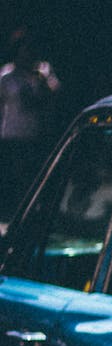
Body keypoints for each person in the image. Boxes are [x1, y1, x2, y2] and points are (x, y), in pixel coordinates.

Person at [0, 28, 60, 221]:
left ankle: (34, 216)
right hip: (13, 135)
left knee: (34, 179)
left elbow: (55, 94)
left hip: (35, 134)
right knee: (17, 180)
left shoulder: (42, 71)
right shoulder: (6, 76)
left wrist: (43, 79)